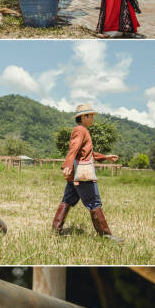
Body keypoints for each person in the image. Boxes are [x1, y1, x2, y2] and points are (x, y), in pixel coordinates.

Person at [52, 103, 122, 242]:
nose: (93, 118)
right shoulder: (80, 130)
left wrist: (105, 157)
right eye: (91, 116)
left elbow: (86, 153)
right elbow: (74, 148)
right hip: (82, 175)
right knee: (94, 202)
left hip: (75, 175)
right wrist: (67, 164)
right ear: (83, 117)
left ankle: (55, 231)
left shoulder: (83, 130)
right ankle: (106, 236)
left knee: (68, 200)